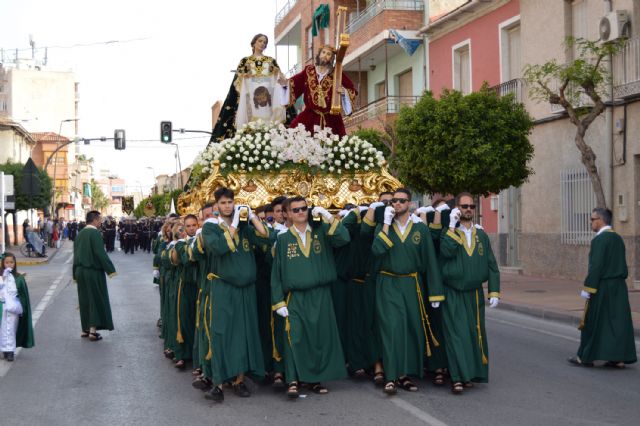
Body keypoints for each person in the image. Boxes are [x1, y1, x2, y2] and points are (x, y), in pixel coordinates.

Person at [271, 196, 350, 398]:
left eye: (303, 209)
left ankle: (315, 379)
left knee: (318, 338)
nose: (300, 213)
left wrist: (329, 218)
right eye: (295, 210)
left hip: (320, 294)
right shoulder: (282, 239)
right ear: (287, 213)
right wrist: (278, 301)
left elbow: (343, 238)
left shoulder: (321, 231)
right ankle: (293, 380)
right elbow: (277, 273)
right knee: (294, 337)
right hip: (295, 297)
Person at [199, 187, 273, 402]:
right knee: (222, 333)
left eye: (230, 202)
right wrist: (233, 225)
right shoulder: (210, 228)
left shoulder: (244, 227)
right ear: (217, 206)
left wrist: (251, 217)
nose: (227, 206)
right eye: (222, 203)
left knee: (244, 334)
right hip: (223, 288)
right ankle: (218, 383)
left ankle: (239, 380)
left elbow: (267, 238)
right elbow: (220, 248)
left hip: (246, 289)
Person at [369, 189, 444, 395]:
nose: (397, 204)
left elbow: (430, 261)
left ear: (410, 203)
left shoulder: (421, 229)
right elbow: (377, 250)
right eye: (394, 201)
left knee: (411, 330)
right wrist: (385, 224)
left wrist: (435, 293)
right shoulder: (383, 226)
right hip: (388, 283)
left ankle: (405, 375)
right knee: (391, 330)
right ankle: (391, 376)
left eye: (402, 201)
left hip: (412, 284)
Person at [439, 192, 500, 394]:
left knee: (474, 334)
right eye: (464, 206)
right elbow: (446, 253)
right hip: (453, 293)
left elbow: (492, 265)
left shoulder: (481, 235)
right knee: (456, 335)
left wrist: (494, 291)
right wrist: (451, 226)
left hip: (474, 294)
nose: (468, 209)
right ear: (456, 208)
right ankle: (457, 378)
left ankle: (470, 374)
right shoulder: (447, 232)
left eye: (471, 206)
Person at [568, 208, 637, 368]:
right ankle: (618, 358)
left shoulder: (599, 240)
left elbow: (596, 266)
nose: (590, 222)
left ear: (601, 220)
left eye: (592, 219)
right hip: (619, 287)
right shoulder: (617, 238)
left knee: (592, 320)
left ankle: (585, 357)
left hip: (602, 286)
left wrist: (588, 287)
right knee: (617, 323)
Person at [206, 34, 288, 146]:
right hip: (250, 98)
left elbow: (278, 79)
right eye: (260, 41)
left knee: (268, 123)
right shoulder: (245, 61)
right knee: (249, 123)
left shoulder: (271, 61)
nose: (262, 44)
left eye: (265, 42)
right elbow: (238, 82)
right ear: (254, 43)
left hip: (268, 98)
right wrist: (245, 77)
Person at [287, 45, 357, 137]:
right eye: (323, 52)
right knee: (292, 135)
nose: (325, 55)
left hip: (331, 118)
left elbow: (351, 90)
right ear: (319, 55)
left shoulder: (336, 73)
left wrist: (343, 91)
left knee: (336, 145)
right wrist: (284, 83)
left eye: (328, 54)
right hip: (309, 115)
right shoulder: (309, 70)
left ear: (331, 58)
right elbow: (294, 83)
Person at [72, 210, 117, 341]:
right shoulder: (95, 233)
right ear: (95, 220)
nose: (101, 222)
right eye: (100, 219)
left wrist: (75, 273)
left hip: (80, 271)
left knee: (84, 299)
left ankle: (85, 329)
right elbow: (100, 253)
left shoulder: (79, 234)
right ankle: (92, 331)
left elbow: (76, 255)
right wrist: (110, 269)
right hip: (92, 271)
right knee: (94, 299)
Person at [0, 252, 34, 361]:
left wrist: (21, 307)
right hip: (2, 307)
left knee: (11, 329)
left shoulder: (19, 278)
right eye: (6, 262)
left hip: (14, 308)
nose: (9, 264)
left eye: (11, 262)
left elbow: (23, 295)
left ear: (15, 263)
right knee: (3, 329)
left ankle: (10, 351)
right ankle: (4, 349)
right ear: (3, 263)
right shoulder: (1, 277)